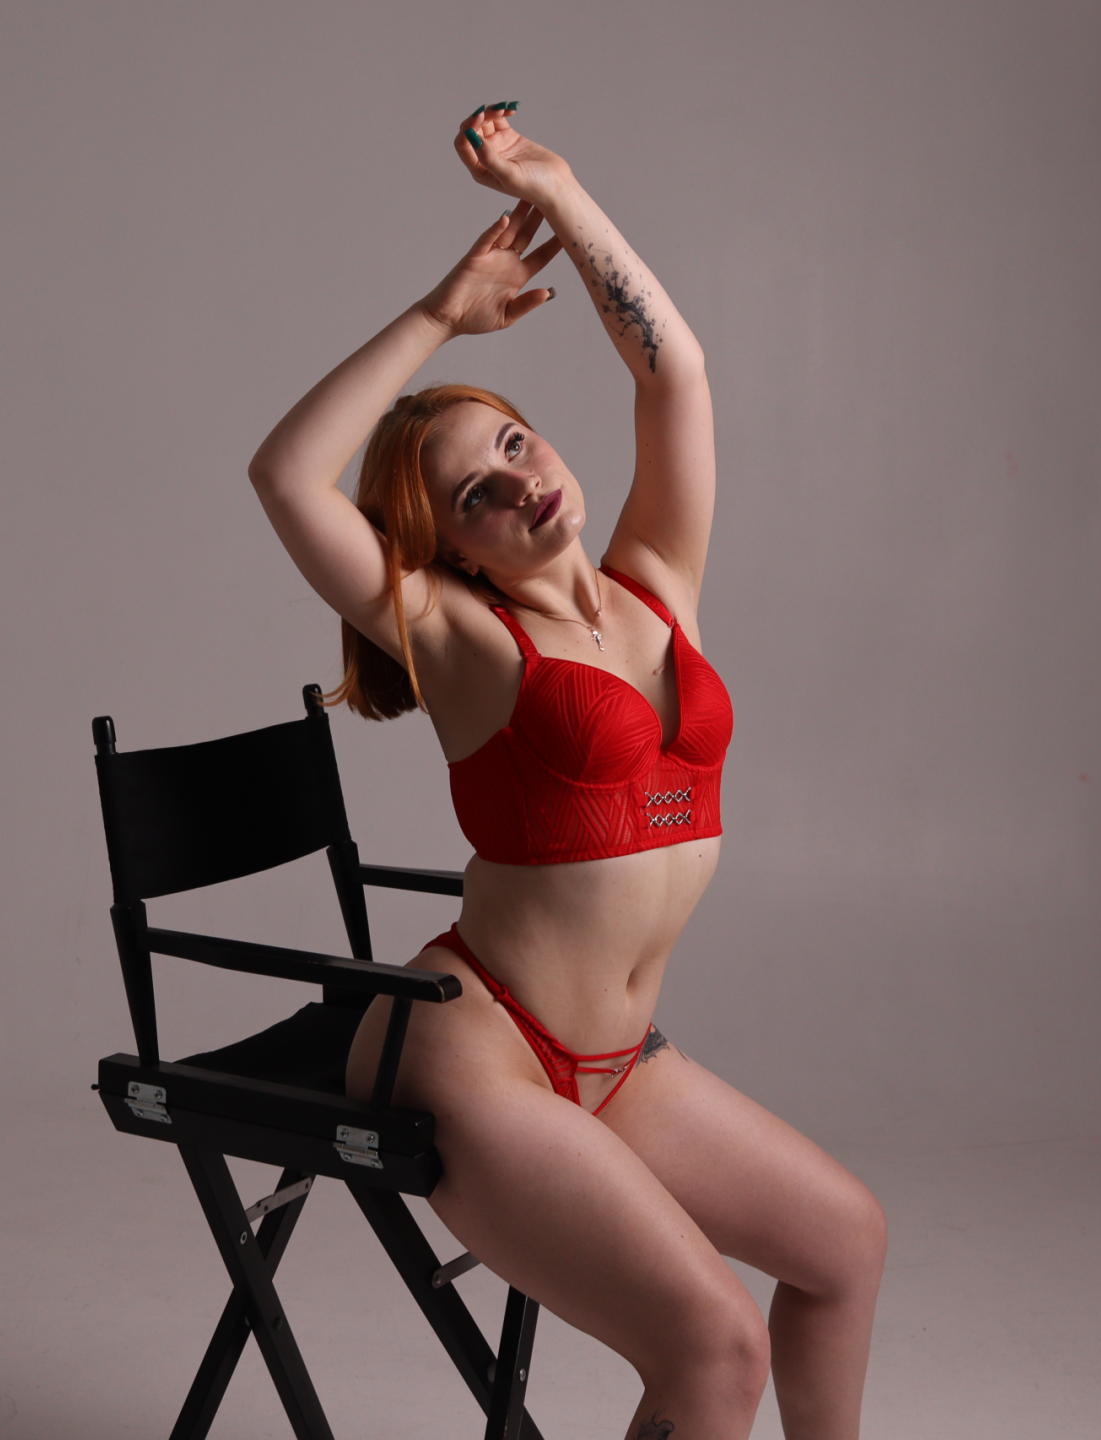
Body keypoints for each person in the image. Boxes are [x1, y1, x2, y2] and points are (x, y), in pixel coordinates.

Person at [246, 102, 886, 1440]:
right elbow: (288, 476)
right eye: (475, 494)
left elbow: (676, 375)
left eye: (515, 444)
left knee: (844, 1246)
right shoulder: (466, 641)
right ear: (453, 550)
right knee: (715, 1348)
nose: (516, 483)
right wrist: (441, 314)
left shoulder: (656, 584)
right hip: (478, 1056)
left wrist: (562, 194)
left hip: (614, 1062)